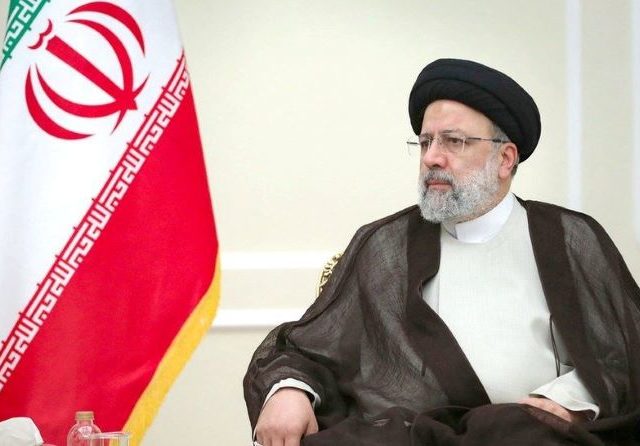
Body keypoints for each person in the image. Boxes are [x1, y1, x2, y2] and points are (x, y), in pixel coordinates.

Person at [243, 59, 640, 445]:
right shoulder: (384, 244)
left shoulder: (568, 238)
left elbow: (623, 355)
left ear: (505, 159)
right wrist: (289, 389)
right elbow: (311, 347)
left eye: (454, 141)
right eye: (425, 142)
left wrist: (565, 402)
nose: (432, 157)